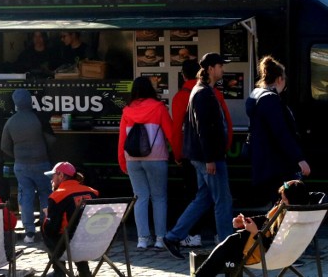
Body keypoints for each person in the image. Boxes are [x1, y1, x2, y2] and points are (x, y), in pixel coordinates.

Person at [164, 53, 234, 260]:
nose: (223, 70)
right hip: (209, 157)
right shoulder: (204, 93)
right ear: (211, 69)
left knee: (203, 199)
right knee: (223, 200)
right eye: (221, 66)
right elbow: (205, 129)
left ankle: (173, 236)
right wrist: (210, 158)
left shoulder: (200, 91)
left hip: (202, 156)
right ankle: (226, 247)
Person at [194, 180, 309, 277]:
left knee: (231, 246)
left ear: (294, 201)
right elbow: (267, 219)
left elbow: (275, 245)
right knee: (231, 247)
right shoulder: (290, 212)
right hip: (263, 245)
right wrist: (247, 221)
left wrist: (255, 232)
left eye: (284, 200)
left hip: (268, 253)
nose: (280, 202)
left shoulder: (292, 221)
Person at [118, 76, 175, 250]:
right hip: (156, 157)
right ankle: (160, 238)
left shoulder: (127, 110)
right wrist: (178, 154)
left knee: (140, 197)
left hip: (132, 159)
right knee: (159, 197)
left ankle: (143, 239)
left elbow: (122, 139)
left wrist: (122, 161)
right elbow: (171, 133)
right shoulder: (159, 108)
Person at [245, 56, 311, 202]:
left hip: (264, 162)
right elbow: (281, 132)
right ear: (280, 79)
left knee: (276, 201)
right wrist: (299, 159)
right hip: (278, 164)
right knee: (287, 201)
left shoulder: (256, 95)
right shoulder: (270, 100)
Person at [1, 88, 52, 243]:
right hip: (41, 162)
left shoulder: (11, 121)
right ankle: (46, 227)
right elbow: (51, 139)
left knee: (26, 196)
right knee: (45, 194)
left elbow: (4, 146)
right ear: (30, 101)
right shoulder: (38, 117)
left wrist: (17, 155)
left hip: (21, 164)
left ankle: (29, 232)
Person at [42, 162, 99, 277]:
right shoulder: (92, 192)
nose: (51, 179)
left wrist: (47, 216)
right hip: (94, 241)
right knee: (78, 229)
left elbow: (51, 230)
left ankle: (59, 271)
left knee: (47, 230)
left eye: (53, 176)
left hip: (70, 245)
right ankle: (84, 271)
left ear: (61, 176)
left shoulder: (57, 196)